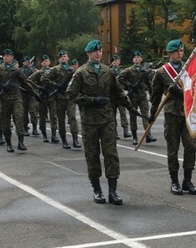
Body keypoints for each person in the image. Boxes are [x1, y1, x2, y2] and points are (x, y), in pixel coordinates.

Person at [67, 39, 131, 205]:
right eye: (95, 51)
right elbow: (71, 94)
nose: (98, 53)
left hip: (107, 119)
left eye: (100, 50)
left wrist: (130, 107)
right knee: (92, 155)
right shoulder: (80, 73)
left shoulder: (107, 71)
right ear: (88, 53)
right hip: (89, 121)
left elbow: (118, 91)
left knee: (111, 154)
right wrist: (91, 100)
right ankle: (97, 190)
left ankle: (113, 191)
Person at [149, 39, 196, 195]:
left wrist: (181, 92)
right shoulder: (162, 72)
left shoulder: (190, 68)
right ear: (170, 53)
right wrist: (152, 113)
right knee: (173, 149)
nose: (180, 53)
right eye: (177, 51)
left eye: (182, 51)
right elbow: (156, 95)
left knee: (191, 146)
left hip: (188, 113)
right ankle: (175, 181)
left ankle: (188, 181)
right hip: (172, 114)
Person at [0, 49, 41, 152]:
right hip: (4, 99)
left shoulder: (17, 71)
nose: (6, 57)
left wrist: (35, 94)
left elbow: (25, 83)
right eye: (4, 56)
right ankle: (8, 143)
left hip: (16, 98)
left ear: (12, 57)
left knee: (19, 118)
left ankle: (21, 142)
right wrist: (0, 85)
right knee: (5, 121)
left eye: (8, 55)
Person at [118, 50, 156, 145]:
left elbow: (149, 84)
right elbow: (119, 78)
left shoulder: (144, 71)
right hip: (133, 96)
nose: (136, 58)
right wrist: (129, 85)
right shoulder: (128, 70)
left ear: (141, 59)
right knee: (133, 116)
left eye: (138, 57)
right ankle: (134, 137)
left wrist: (152, 95)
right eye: (135, 57)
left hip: (142, 96)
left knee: (145, 115)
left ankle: (148, 135)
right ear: (133, 59)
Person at [45, 50, 81, 149]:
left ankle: (75, 140)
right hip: (59, 98)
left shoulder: (72, 71)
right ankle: (64, 140)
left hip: (70, 98)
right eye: (62, 57)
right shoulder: (55, 70)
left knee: (72, 117)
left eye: (65, 56)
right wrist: (56, 85)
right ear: (59, 58)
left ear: (68, 58)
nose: (63, 58)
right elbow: (44, 78)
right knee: (61, 120)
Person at [29, 54, 59, 143]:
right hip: (42, 97)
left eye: (47, 60)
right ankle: (44, 135)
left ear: (49, 62)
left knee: (53, 116)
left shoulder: (53, 71)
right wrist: (38, 87)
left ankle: (54, 135)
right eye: (44, 61)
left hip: (52, 95)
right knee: (42, 116)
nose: (46, 62)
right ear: (41, 63)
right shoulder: (38, 72)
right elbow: (29, 80)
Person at [109, 54, 131, 139]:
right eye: (113, 60)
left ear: (119, 62)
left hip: (120, 94)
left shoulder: (122, 71)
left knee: (123, 113)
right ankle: (114, 132)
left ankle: (125, 130)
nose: (115, 62)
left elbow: (125, 81)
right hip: (112, 95)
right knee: (112, 114)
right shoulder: (109, 71)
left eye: (116, 60)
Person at [20, 56, 39, 136]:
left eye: (28, 62)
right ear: (23, 62)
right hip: (23, 93)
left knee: (32, 111)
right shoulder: (20, 71)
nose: (27, 63)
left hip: (32, 94)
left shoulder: (34, 70)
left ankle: (34, 128)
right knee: (24, 112)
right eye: (25, 62)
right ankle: (25, 128)